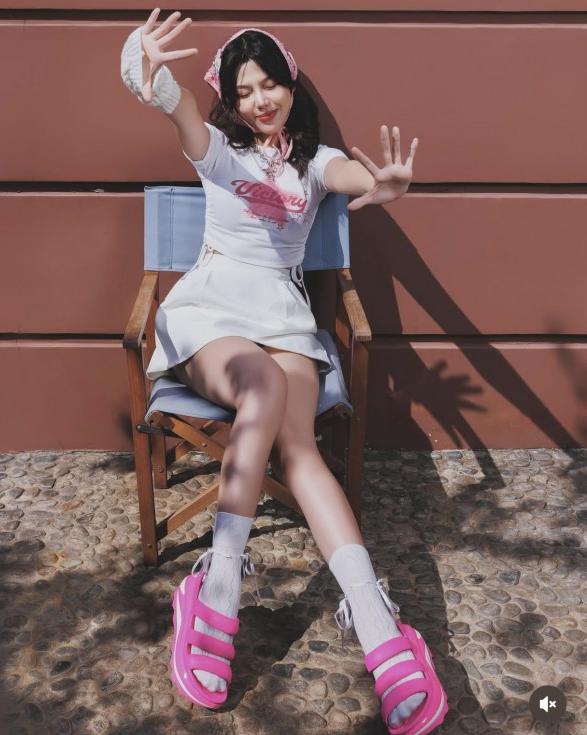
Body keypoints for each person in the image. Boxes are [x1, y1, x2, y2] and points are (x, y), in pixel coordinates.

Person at [121, 9, 447, 734]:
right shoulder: (216, 152)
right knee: (262, 388)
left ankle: (376, 616)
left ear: (290, 85)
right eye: (244, 91)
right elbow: (172, 102)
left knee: (300, 448)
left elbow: (351, 174)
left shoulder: (312, 162)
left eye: (269, 83)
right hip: (212, 316)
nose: (259, 100)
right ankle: (219, 583)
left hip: (285, 319)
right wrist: (138, 61)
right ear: (231, 101)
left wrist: (385, 183)